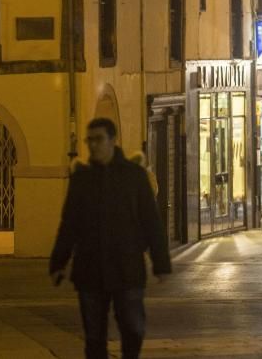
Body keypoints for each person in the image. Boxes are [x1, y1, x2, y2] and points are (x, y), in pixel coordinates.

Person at [49, 118, 171, 359]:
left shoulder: (134, 176)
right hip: (90, 268)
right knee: (94, 336)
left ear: (112, 141)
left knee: (133, 329)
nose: (93, 145)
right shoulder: (82, 179)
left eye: (98, 139)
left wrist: (161, 263)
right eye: (89, 140)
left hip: (127, 267)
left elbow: (151, 221)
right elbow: (69, 224)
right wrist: (58, 262)